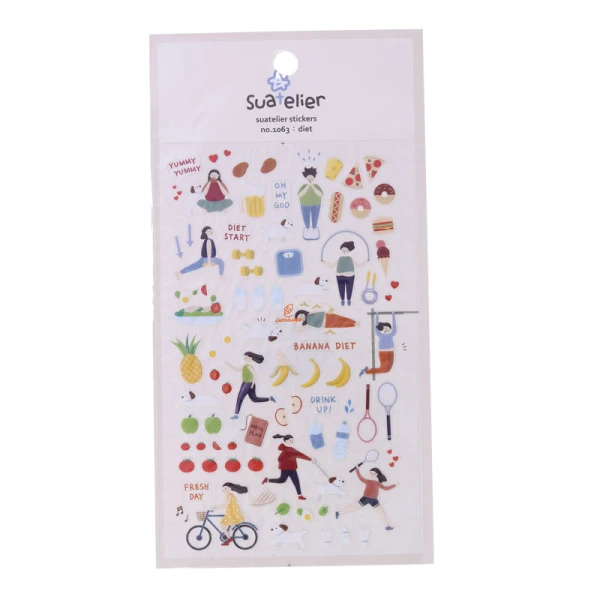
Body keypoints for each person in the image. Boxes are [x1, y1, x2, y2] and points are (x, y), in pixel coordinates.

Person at [262, 434, 315, 500]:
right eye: (290, 440)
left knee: (296, 481)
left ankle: (300, 495)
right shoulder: (286, 450)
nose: (292, 442)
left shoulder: (291, 449)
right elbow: (279, 459)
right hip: (285, 469)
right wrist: (286, 459)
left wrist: (310, 459)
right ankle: (267, 480)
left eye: (292, 441)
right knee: (282, 480)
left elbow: (300, 455)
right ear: (286, 441)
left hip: (292, 469)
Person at [225, 352, 275, 419]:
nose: (244, 359)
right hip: (245, 383)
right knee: (254, 399)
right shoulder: (244, 366)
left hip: (249, 383)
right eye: (244, 358)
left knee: (240, 397)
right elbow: (236, 369)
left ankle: (236, 415)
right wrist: (228, 364)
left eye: (246, 357)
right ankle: (269, 398)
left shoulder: (249, 366)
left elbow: (255, 375)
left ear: (250, 358)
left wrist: (253, 384)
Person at [322, 241, 368, 306]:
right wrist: (324, 262)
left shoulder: (350, 258)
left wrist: (366, 261)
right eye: (343, 250)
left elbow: (358, 265)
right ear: (341, 250)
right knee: (341, 288)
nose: (344, 251)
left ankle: (348, 299)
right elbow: (331, 266)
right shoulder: (339, 259)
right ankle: (343, 299)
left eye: (346, 250)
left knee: (349, 288)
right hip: (340, 275)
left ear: (348, 251)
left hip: (350, 276)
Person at [297, 167, 323, 240]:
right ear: (305, 178)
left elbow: (320, 194)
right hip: (305, 204)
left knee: (315, 216)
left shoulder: (316, 186)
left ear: (314, 178)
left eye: (311, 178)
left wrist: (312, 186)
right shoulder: (303, 186)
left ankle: (314, 228)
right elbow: (300, 194)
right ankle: (307, 228)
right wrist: (308, 185)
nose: (310, 180)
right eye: (308, 179)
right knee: (306, 217)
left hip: (316, 203)